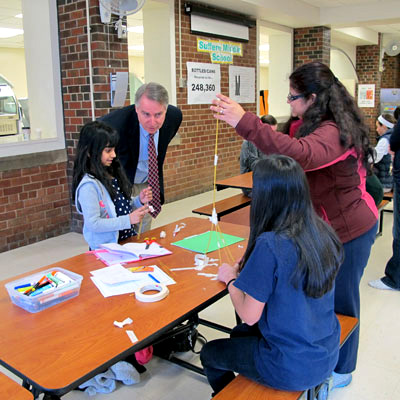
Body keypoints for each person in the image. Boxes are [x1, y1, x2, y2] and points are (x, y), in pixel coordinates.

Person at [210, 62, 378, 394]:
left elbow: (297, 156)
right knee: (307, 296)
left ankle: (341, 370)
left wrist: (245, 122)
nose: (288, 102)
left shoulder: (332, 131)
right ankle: (299, 350)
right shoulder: (307, 123)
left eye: (293, 96)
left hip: (348, 229)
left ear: (313, 98)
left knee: (342, 302)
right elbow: (285, 153)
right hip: (319, 227)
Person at [200, 155, 343, 396]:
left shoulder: (270, 244)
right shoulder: (321, 231)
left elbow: (249, 316)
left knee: (210, 353)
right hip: (326, 351)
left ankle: (228, 394)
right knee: (239, 337)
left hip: (291, 366)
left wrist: (231, 281)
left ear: (265, 196)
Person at [100, 82, 182, 233]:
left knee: (144, 227)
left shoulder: (174, 118)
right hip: (123, 180)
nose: (152, 122)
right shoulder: (115, 124)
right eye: (146, 114)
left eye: (158, 115)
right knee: (125, 230)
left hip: (147, 181)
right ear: (136, 109)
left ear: (166, 110)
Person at [72, 121, 151, 250]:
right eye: (108, 151)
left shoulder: (112, 174)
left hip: (126, 242)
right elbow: (94, 223)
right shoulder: (88, 187)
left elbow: (120, 207)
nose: (113, 155)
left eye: (114, 150)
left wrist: (138, 201)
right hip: (107, 248)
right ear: (90, 152)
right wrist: (128, 220)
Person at [369, 111, 400, 290]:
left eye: (377, 125)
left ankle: (393, 279)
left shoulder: (385, 140)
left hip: (385, 184)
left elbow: (373, 158)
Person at [239, 114, 277, 196]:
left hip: (266, 180)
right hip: (251, 185)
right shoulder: (250, 141)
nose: (273, 136)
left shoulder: (269, 140)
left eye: (274, 132)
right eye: (270, 132)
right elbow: (254, 165)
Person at [373, 113, 396, 192]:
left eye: (377, 127)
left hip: (383, 184)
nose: (377, 130)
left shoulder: (384, 140)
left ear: (384, 126)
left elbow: (374, 158)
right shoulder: (392, 137)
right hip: (390, 181)